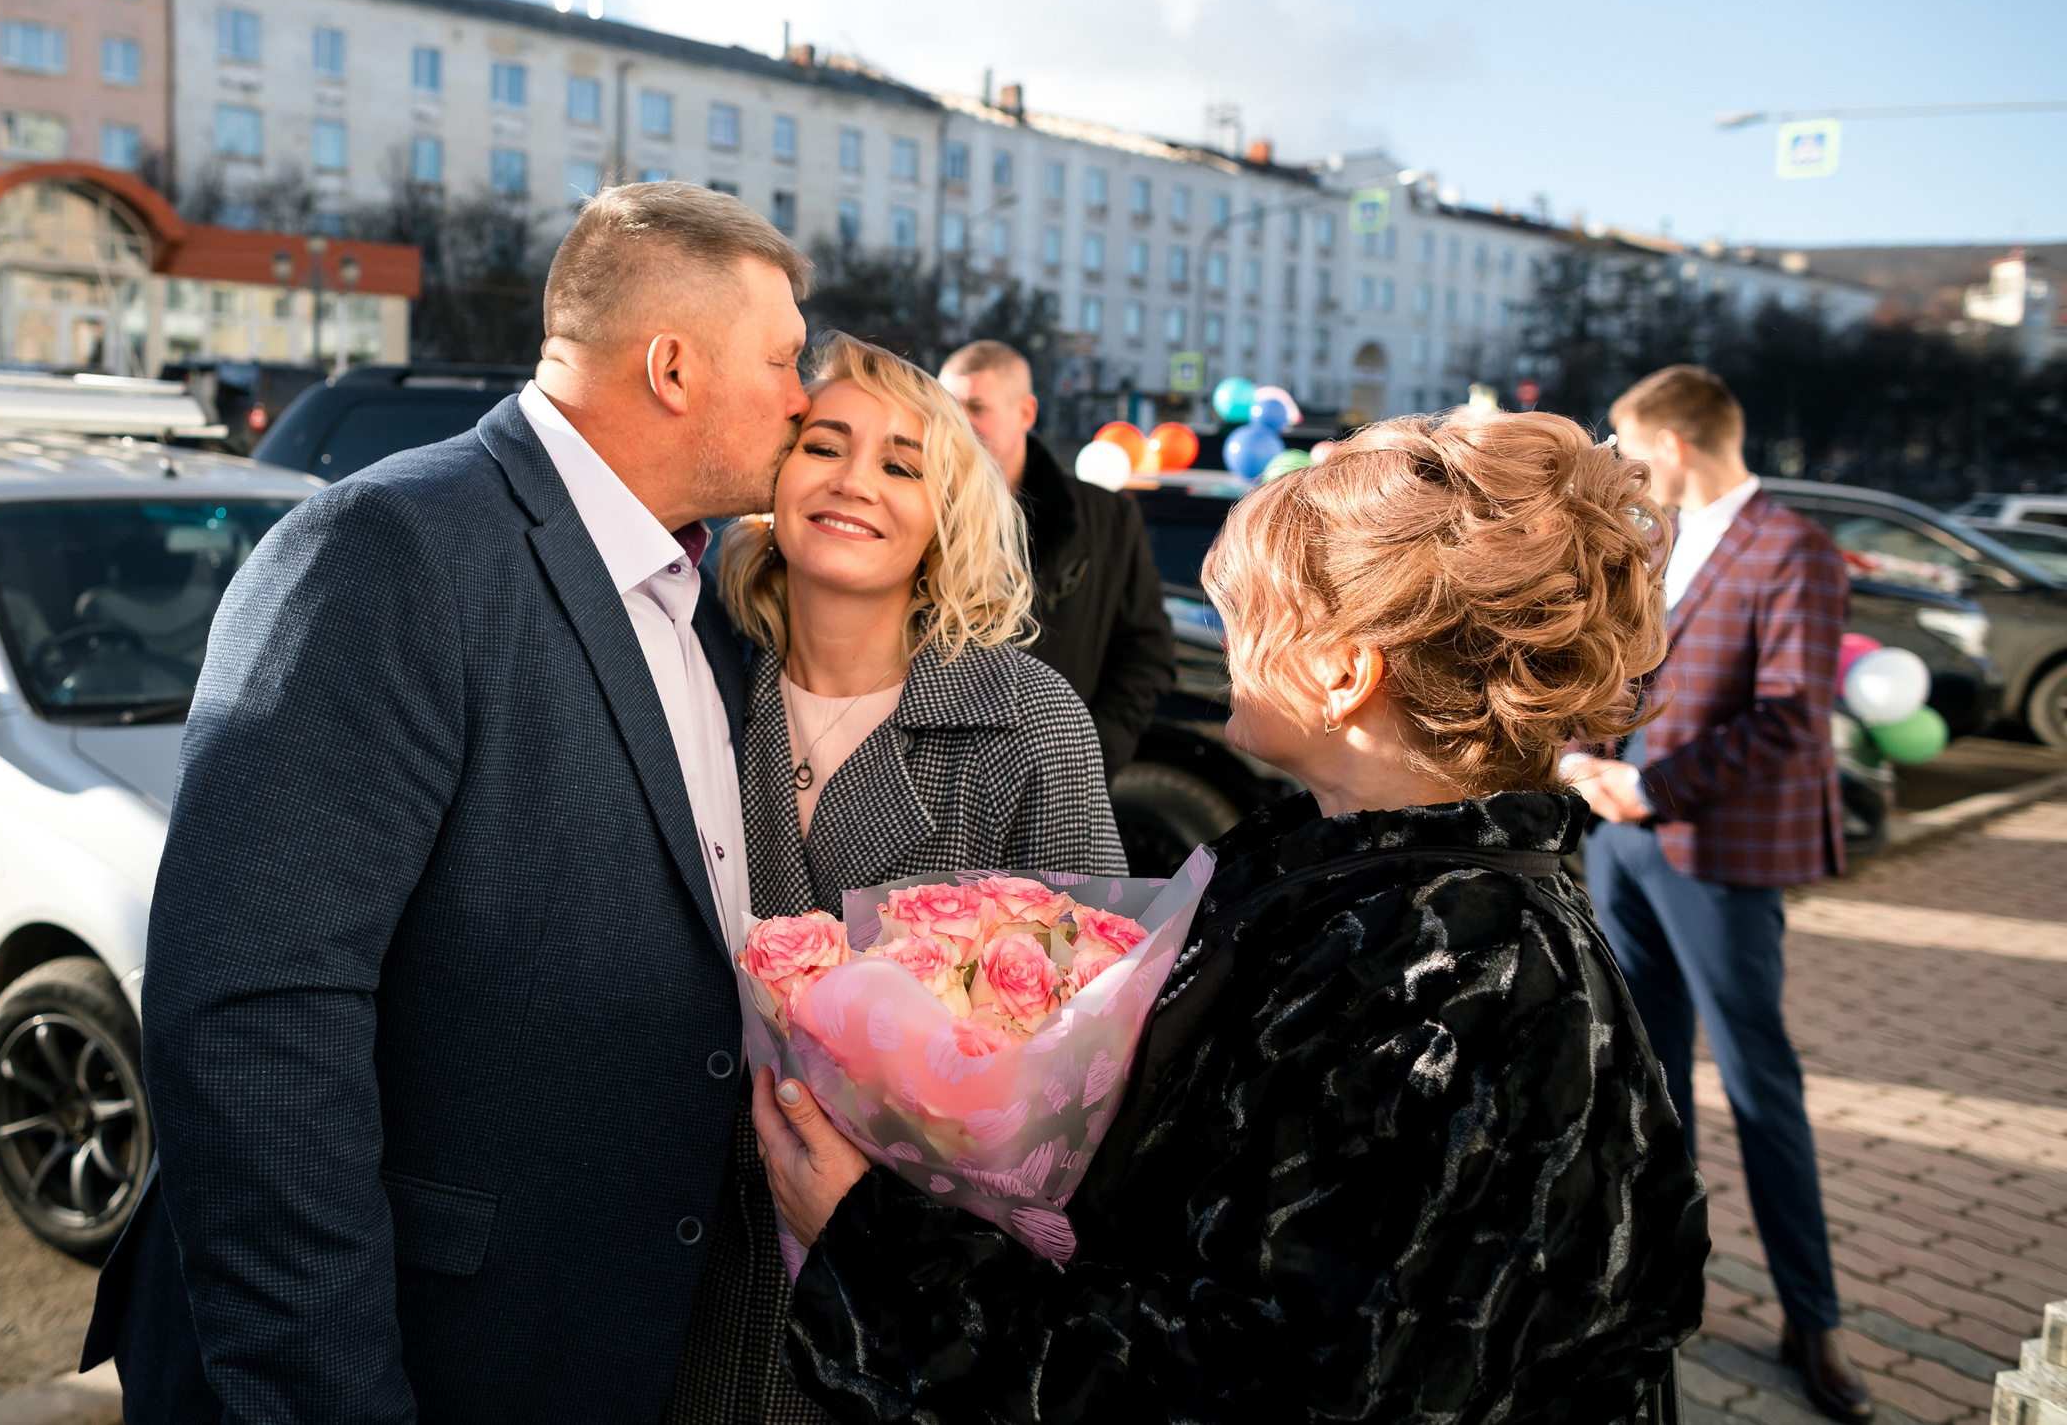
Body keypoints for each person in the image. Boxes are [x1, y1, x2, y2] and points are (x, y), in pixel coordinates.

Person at [752, 409, 1709, 1423]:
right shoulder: (1367, 891)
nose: (1226, 639)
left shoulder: (1460, 971)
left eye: (1254, 613)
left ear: (1344, 673)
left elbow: (1261, 1386)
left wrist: (872, 1244)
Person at [82, 181, 815, 1422]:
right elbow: (255, 1022)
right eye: (784, 358)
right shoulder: (388, 550)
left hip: (597, 1355)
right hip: (415, 1361)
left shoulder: (703, 607)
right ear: (673, 367)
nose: (803, 398)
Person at [666, 336, 1125, 1424]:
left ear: (946, 515)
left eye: (901, 464)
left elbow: (1093, 1048)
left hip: (898, 1309)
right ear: (774, 476)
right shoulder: (689, 680)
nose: (853, 481)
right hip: (676, 1276)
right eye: (823, 446)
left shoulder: (1027, 724)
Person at [1563, 365, 1868, 1422]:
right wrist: (1582, 758)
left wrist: (1654, 788)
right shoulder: (1660, 539)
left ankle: (1811, 1318)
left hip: (1718, 856)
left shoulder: (1794, 548)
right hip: (1621, 845)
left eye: (1626, 443)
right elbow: (1622, 671)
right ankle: (1655, 1291)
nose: (1619, 463)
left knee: (1757, 1083)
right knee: (1647, 1081)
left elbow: (1791, 715)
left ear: (1674, 443)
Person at [937, 342, 1174, 779]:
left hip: (1059, 777)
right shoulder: (920, 511)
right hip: (943, 782)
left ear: (1026, 413)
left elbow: (1146, 652)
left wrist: (1089, 756)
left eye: (977, 407)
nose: (960, 423)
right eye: (949, 407)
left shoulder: (1105, 518)